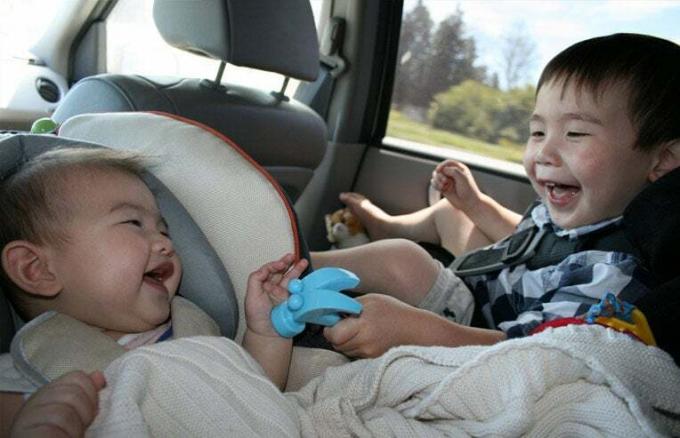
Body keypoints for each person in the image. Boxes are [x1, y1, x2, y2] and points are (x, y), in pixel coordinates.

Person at [314, 33, 680, 359]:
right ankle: (362, 234)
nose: (543, 152)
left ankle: (297, 260)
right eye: (537, 132)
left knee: (403, 260)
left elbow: (533, 356)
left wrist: (420, 333)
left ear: (662, 160)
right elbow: (527, 240)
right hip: (487, 289)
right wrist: (474, 203)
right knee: (448, 214)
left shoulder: (611, 279)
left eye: (575, 134)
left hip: (476, 331)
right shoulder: (580, 209)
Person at [0, 147, 308, 435]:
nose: (166, 243)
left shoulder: (191, 330)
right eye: (133, 223)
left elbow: (254, 398)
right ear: (36, 270)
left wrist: (267, 332)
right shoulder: (23, 377)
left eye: (163, 230)